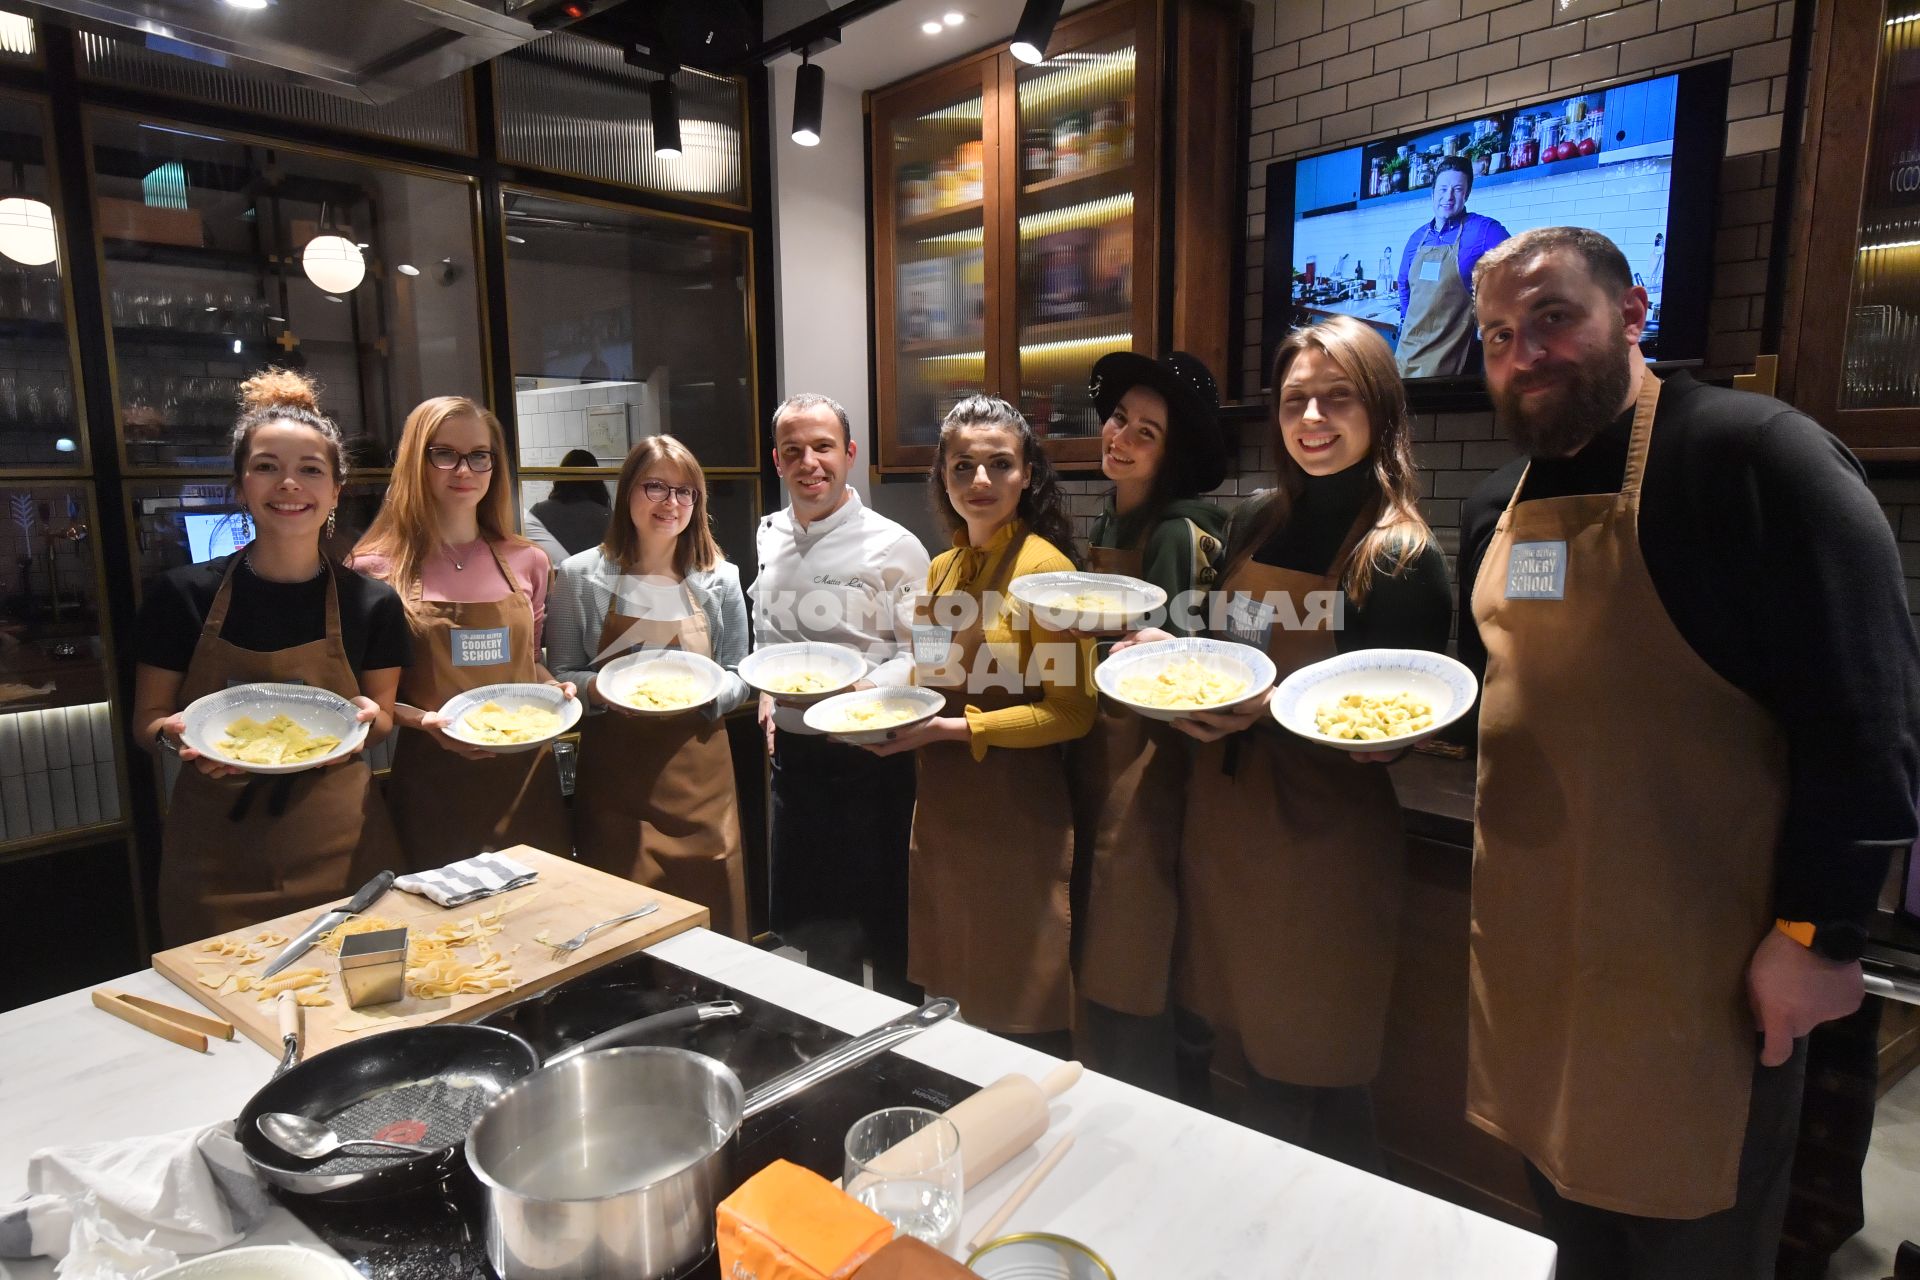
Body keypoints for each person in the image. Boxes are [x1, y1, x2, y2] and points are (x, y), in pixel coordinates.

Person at [1457, 226, 1920, 1278]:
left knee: (1693, 1242)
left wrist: (1820, 929)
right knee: (1569, 1234)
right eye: (1495, 334)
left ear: (1632, 313)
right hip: (1537, 962)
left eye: (1552, 319)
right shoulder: (1495, 507)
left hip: (1700, 977)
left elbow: (1870, 711)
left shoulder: (1756, 460)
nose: (1522, 352)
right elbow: (1486, 697)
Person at [1123, 315, 1450, 1167]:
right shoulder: (1258, 519)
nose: (1312, 419)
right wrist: (1170, 653)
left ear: (1380, 409)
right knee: (1244, 1048)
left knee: (1305, 1061)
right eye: (1296, 400)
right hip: (1225, 822)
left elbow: (1398, 721)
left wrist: (1309, 720)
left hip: (1320, 840)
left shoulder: (1400, 556)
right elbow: (1223, 652)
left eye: (1336, 399)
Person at [132, 369, 409, 945]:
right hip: (215, 855)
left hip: (342, 848)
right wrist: (173, 735)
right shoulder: (182, 595)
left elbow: (381, 719)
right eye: (266, 467)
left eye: (311, 470)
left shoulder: (372, 602)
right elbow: (147, 721)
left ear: (336, 491)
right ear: (239, 486)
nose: (289, 484)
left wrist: (364, 721)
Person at [865, 395, 1095, 1055]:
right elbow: (931, 676)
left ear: (1028, 474)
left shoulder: (1046, 572)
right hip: (943, 813)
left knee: (1024, 1012)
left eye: (1000, 464)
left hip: (1016, 821)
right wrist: (870, 695)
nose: (981, 481)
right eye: (963, 466)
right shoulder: (942, 571)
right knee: (956, 1006)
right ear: (942, 475)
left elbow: (1072, 712)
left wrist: (955, 733)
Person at [1069, 351, 1228, 1097]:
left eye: (1147, 433)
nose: (1121, 438)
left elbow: (1168, 669)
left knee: (1138, 956)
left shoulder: (1176, 532)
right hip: (1106, 749)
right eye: (1118, 419)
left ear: (1175, 454)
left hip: (1154, 765)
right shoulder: (1114, 512)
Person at [751, 393, 929, 999]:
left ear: (849, 454)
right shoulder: (767, 535)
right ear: (777, 461)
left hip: (871, 760)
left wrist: (860, 690)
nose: (810, 463)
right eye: (793, 450)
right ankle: (837, 1060)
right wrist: (767, 696)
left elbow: (923, 657)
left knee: (888, 932)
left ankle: (906, 1059)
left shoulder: (896, 546)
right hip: (795, 765)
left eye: (823, 447)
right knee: (823, 938)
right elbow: (767, 634)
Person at [350, 396, 573, 869]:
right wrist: (422, 722)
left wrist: (556, 689)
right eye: (444, 453)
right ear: (416, 459)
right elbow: (365, 696)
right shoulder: (373, 569)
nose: (464, 469)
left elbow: (530, 663)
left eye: (479, 455)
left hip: (526, 775)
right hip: (433, 778)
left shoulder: (528, 561)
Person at [546, 435, 750, 939]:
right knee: (623, 925)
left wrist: (704, 694)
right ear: (627, 492)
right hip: (617, 782)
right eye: (655, 487)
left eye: (685, 492)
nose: (671, 503)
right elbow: (564, 671)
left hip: (700, 777)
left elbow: (740, 672)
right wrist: (602, 692)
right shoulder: (578, 575)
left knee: (711, 917)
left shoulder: (720, 578)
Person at [1394, 156, 1509, 378]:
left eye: (1457, 189)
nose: (1448, 196)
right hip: (1408, 349)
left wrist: (1490, 317)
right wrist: (1407, 320)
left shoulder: (1483, 231)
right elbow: (1403, 282)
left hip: (1449, 355)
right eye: (1443, 188)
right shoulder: (1417, 238)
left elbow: (1516, 266)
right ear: (1432, 192)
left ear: (1467, 194)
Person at [526, 447, 612, 566]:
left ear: (561, 478)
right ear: (597, 481)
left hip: (549, 582)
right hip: (594, 583)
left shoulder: (538, 512)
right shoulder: (607, 517)